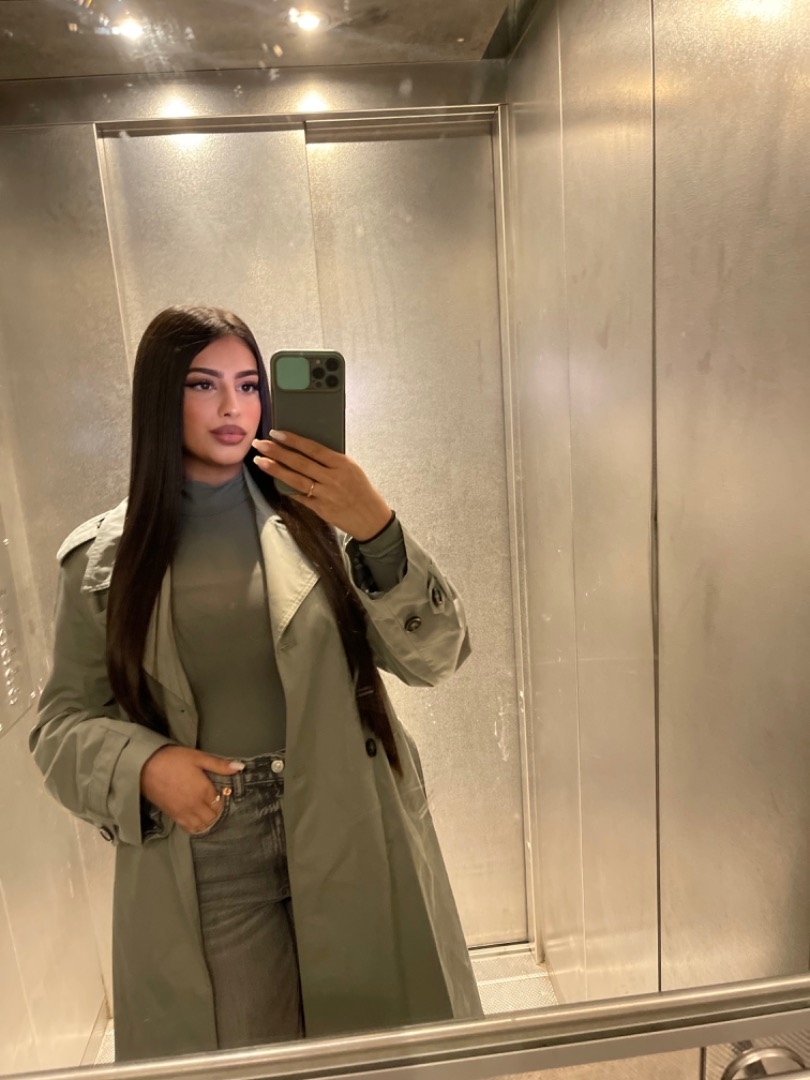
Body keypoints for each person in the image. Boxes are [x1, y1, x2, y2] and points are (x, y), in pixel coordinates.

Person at [29, 305, 483, 1062]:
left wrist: (376, 529)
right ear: (159, 398)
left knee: (373, 1049)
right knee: (246, 1057)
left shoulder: (319, 519)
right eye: (203, 384)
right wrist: (146, 765)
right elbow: (60, 725)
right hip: (209, 838)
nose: (232, 406)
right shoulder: (104, 560)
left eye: (248, 384)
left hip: (345, 814)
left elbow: (434, 659)